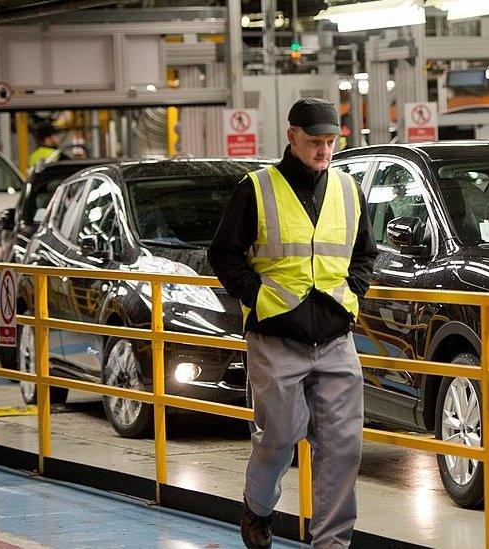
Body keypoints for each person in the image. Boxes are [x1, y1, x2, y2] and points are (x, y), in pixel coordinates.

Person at [208, 98, 378, 549]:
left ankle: (332, 543)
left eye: (330, 142)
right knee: (279, 439)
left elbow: (364, 254)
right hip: (276, 337)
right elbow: (223, 254)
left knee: (343, 448)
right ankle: (258, 508)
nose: (324, 151)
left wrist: (352, 295)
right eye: (315, 142)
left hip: (335, 338)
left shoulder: (347, 190)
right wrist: (258, 297)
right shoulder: (256, 189)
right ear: (292, 137)